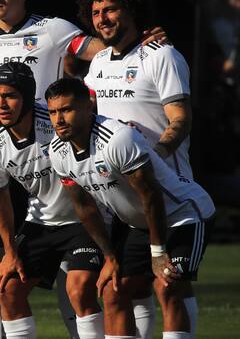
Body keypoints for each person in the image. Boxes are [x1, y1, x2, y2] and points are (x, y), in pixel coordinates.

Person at [0, 0, 166, 338]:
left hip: (60, 156)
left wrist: (139, 41)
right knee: (9, 281)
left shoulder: (53, 30)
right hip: (9, 160)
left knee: (81, 284)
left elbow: (101, 50)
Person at [45, 78, 215, 339]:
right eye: (53, 112)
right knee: (114, 290)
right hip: (139, 223)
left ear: (89, 107)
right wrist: (110, 257)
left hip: (184, 214)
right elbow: (84, 207)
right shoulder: (57, 151)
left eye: (66, 110)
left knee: (168, 285)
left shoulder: (117, 138)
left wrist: (157, 253)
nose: (59, 119)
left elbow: (151, 195)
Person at [0, 63, 104, 338]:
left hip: (86, 218)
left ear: (26, 95)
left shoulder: (55, 119)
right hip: (42, 222)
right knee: (7, 290)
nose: (1, 104)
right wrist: (10, 253)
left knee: (79, 289)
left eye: (10, 95)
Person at [79, 0, 193, 180]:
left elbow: (181, 119)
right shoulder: (99, 61)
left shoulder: (162, 55)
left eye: (110, 10)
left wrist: (154, 157)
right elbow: (84, 110)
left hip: (167, 183)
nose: (102, 19)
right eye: (95, 13)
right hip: (120, 184)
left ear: (131, 11)